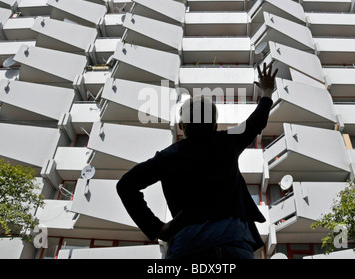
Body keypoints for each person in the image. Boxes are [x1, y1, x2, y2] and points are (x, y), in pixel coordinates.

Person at [117, 62, 277, 259]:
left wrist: (157, 228)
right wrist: (267, 90)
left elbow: (126, 185)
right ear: (215, 125)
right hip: (233, 240)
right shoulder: (227, 142)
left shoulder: (169, 156)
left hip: (186, 244)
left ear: (182, 126)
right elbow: (257, 120)